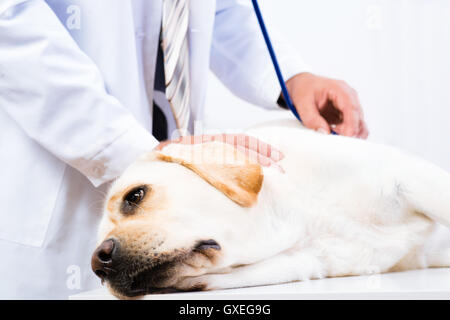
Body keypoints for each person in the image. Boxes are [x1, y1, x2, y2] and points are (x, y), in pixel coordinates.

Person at [0, 0, 368, 299]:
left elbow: (217, 10)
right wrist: (145, 161)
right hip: (58, 186)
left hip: (176, 231)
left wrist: (289, 76)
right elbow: (12, 25)